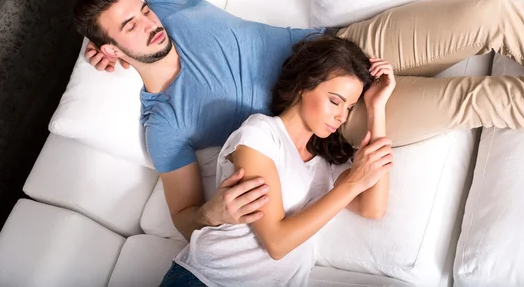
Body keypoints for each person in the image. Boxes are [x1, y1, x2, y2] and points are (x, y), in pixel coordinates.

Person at [74, 0, 524, 243]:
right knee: (483, 99)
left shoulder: (172, 8)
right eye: (130, 28)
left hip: (347, 44)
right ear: (116, 53)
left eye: (140, 9)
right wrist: (213, 213)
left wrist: (108, 9)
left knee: (494, 12)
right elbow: (184, 217)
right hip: (341, 112)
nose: (149, 23)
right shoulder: (162, 121)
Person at [161, 35, 395, 286]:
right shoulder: (259, 134)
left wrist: (375, 107)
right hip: (206, 279)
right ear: (305, 85)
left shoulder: (324, 166)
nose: (341, 116)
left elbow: (373, 208)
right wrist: (352, 184)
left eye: (349, 108)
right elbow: (276, 243)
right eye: (335, 101)